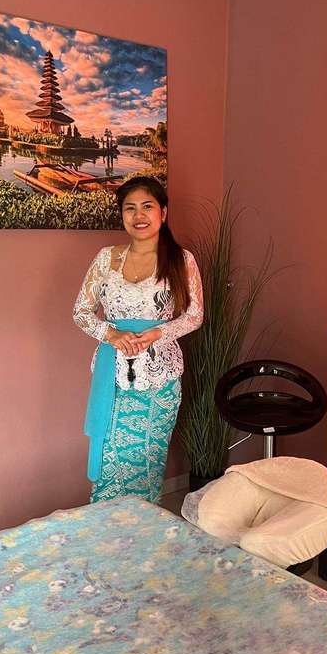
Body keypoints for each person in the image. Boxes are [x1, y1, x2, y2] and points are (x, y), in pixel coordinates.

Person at [73, 176, 203, 503]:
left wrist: (158, 333)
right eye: (129, 208)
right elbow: (81, 312)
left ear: (163, 212)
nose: (138, 215)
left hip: (160, 377)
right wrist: (112, 334)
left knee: (146, 459)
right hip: (112, 374)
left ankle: (143, 525)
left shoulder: (181, 260)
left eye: (147, 206)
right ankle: (107, 526)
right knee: (110, 456)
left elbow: (194, 315)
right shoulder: (106, 258)